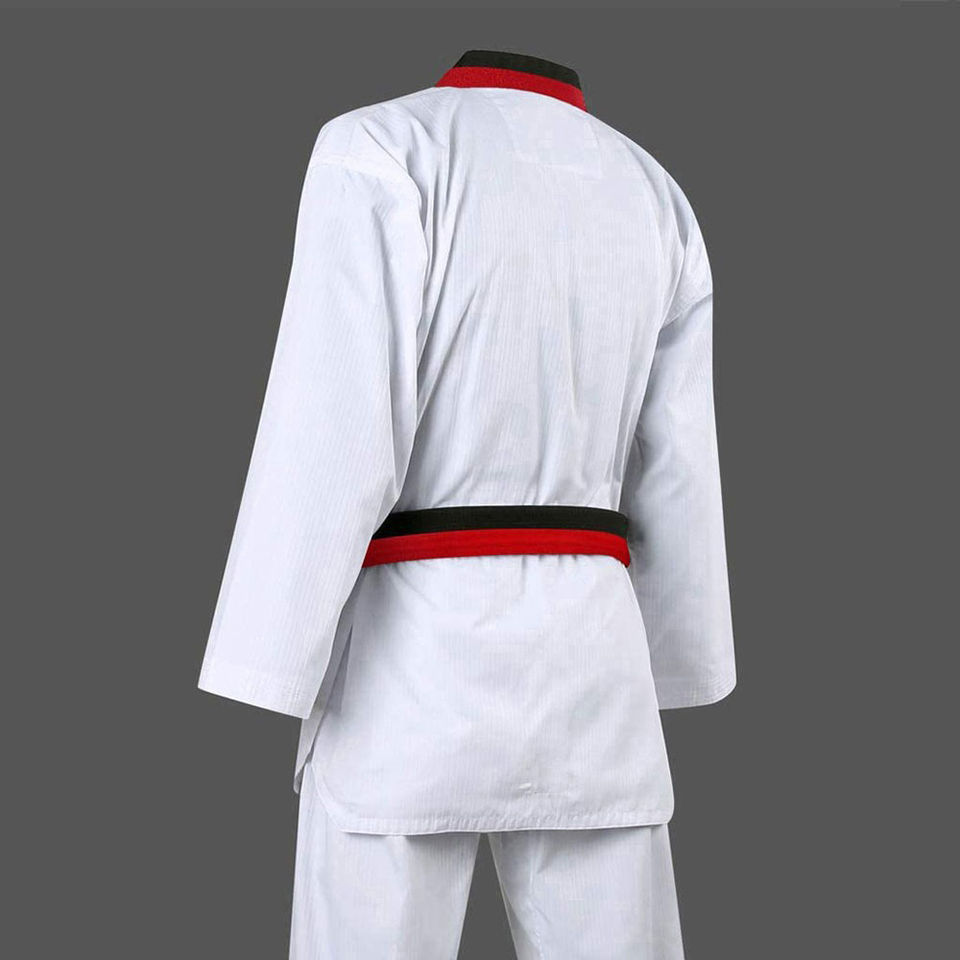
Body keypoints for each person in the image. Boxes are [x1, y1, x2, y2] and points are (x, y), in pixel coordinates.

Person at [198, 48, 737, 959]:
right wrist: (681, 660)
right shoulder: (652, 189)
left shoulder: (380, 148)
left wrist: (268, 652)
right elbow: (679, 459)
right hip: (592, 662)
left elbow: (333, 419)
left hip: (411, 660)